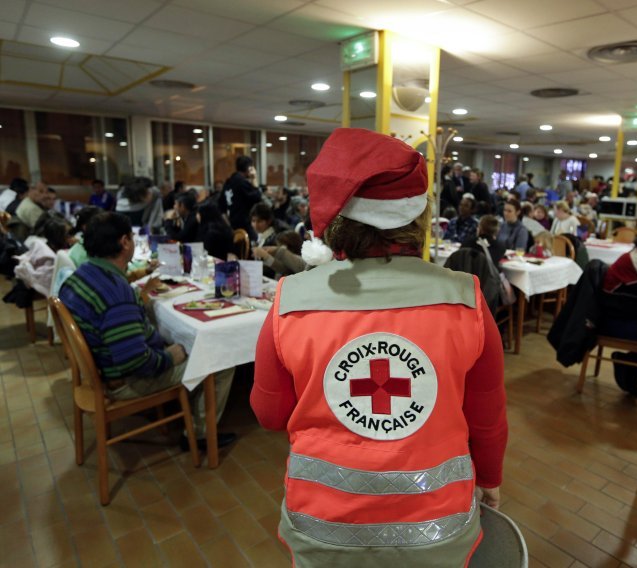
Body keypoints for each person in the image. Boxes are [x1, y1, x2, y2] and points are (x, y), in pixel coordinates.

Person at [251, 128, 507, 567]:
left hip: (322, 529)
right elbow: (487, 419)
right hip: (439, 530)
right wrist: (490, 478)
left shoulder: (289, 300)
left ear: (336, 217)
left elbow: (269, 414)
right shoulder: (467, 298)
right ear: (418, 217)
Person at [58, 213, 235, 448]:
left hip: (100, 370)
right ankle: (201, 435)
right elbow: (135, 362)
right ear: (124, 242)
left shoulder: (81, 275)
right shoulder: (115, 292)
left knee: (172, 331)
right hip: (124, 381)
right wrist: (171, 356)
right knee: (220, 360)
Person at [221, 156, 263, 240]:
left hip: (232, 224)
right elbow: (257, 197)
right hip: (245, 224)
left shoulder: (228, 182)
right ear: (249, 168)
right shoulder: (242, 182)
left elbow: (221, 207)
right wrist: (254, 178)